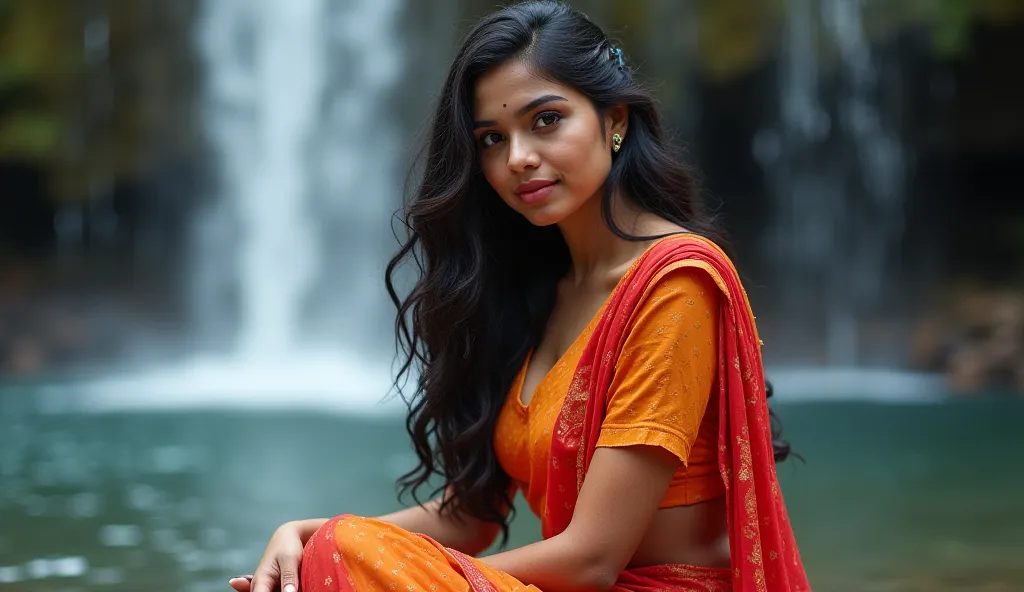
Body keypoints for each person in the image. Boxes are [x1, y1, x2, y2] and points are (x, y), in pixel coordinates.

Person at [230, 1, 809, 590]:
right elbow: (468, 516)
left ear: (616, 120)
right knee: (336, 549)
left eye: (546, 120)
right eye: (490, 138)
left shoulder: (675, 284)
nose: (517, 159)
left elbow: (592, 560)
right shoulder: (536, 289)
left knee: (349, 553)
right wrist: (307, 535)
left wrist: (395, 574)